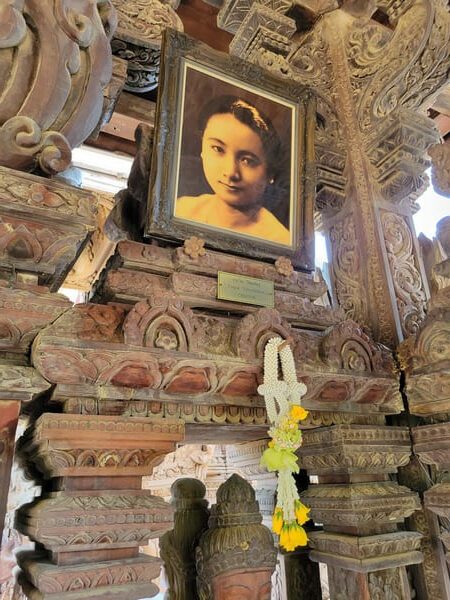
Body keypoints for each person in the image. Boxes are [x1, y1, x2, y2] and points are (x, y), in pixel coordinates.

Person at [175, 96, 290, 245]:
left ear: (270, 174)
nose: (230, 172)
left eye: (247, 160)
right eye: (218, 149)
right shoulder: (182, 209)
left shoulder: (278, 240)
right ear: (202, 147)